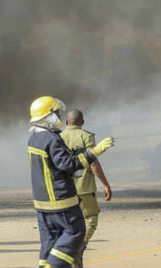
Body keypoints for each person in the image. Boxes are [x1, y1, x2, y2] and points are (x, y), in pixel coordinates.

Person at [27, 96, 114, 268]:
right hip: (60, 200)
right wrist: (94, 152)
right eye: (56, 113)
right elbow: (68, 164)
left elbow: (52, 166)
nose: (58, 117)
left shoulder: (34, 138)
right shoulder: (52, 139)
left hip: (42, 202)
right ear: (48, 115)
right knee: (75, 231)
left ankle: (47, 264)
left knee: (49, 240)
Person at [60, 109, 113, 266]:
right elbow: (93, 162)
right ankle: (78, 245)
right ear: (82, 122)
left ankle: (69, 251)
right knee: (90, 219)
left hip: (64, 189)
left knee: (68, 223)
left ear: (66, 122)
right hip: (84, 188)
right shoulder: (86, 136)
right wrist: (106, 184)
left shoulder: (58, 138)